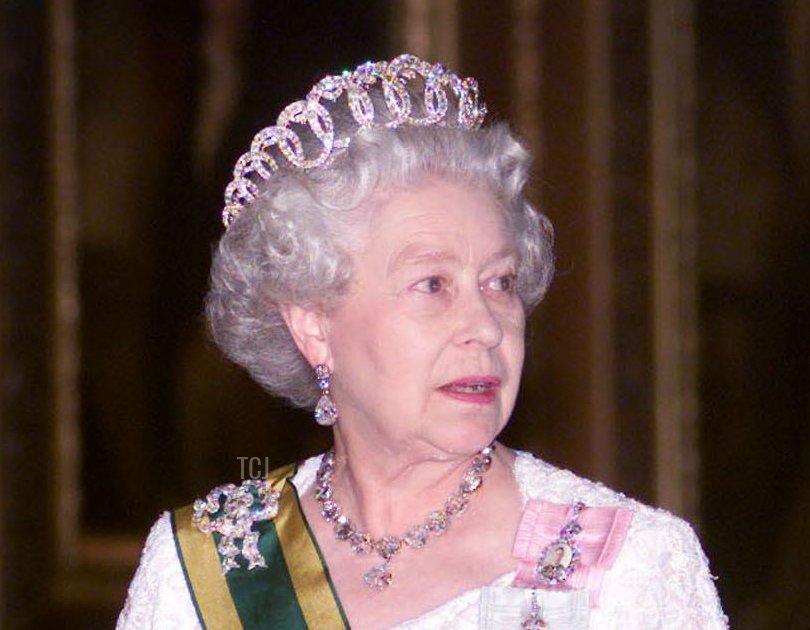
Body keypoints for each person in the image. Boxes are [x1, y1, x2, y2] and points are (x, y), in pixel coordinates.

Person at [117, 54, 728, 629]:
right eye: (432, 283)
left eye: (500, 282)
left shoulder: (625, 570)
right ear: (312, 323)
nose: (487, 326)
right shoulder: (206, 571)